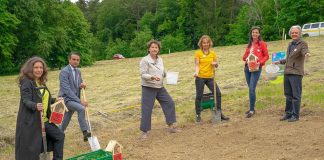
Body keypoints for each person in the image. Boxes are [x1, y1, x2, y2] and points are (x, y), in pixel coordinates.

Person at [15, 56, 64, 160]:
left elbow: (43, 98)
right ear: (30, 68)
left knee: (59, 136)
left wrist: (55, 100)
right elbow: (26, 100)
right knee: (33, 149)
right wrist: (35, 105)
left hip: (45, 120)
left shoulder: (41, 81)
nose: (39, 70)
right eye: (36, 67)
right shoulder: (26, 81)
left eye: (41, 67)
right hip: (33, 121)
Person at [139, 39, 178, 139]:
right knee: (147, 109)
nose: (154, 49)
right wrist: (151, 77)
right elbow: (143, 74)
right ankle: (144, 131)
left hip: (159, 87)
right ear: (149, 49)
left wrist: (170, 75)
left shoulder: (160, 59)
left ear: (158, 49)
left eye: (156, 47)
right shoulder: (144, 60)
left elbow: (162, 71)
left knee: (169, 102)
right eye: (152, 47)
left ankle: (171, 126)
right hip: (148, 87)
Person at [275, 25, 310, 122]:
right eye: (292, 33)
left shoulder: (303, 43)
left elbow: (304, 51)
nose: (294, 34)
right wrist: (280, 62)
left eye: (296, 32)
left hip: (296, 73)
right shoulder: (290, 44)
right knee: (288, 95)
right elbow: (289, 59)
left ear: (300, 34)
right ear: (290, 34)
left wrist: (307, 54)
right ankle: (288, 113)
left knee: (296, 95)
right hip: (287, 72)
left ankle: (295, 115)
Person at [194, 35, 229, 123]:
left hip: (210, 77)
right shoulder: (198, 53)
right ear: (201, 44)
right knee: (199, 96)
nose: (205, 44)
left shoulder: (213, 53)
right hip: (200, 77)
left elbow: (216, 64)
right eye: (204, 43)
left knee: (218, 93)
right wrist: (196, 72)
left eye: (207, 42)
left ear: (209, 43)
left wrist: (215, 64)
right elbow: (197, 65)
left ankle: (219, 113)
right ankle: (198, 115)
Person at [59, 52, 91, 141]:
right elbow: (67, 90)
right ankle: (85, 132)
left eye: (77, 60)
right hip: (66, 99)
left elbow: (78, 85)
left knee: (66, 118)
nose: (76, 61)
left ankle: (58, 134)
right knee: (81, 108)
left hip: (74, 99)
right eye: (73, 59)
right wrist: (79, 101)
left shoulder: (78, 71)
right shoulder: (64, 72)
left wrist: (82, 85)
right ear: (69, 60)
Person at [242, 26, 269, 118]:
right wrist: (247, 57)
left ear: (259, 34)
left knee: (251, 88)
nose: (254, 34)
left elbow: (266, 56)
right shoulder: (249, 44)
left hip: (256, 69)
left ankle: (252, 110)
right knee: (250, 88)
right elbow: (244, 57)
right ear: (251, 34)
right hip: (247, 68)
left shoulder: (262, 44)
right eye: (253, 32)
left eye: (256, 32)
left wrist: (259, 62)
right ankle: (251, 107)